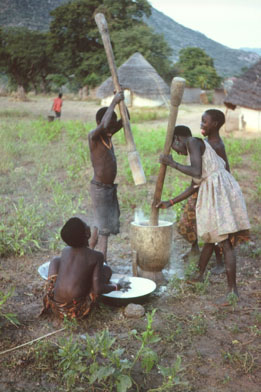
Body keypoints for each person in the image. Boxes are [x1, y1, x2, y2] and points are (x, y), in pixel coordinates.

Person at [156, 125, 250, 298]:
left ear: (178, 139)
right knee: (210, 236)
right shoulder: (195, 152)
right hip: (214, 191)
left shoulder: (192, 141)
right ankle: (199, 275)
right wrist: (170, 202)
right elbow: (195, 184)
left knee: (225, 242)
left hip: (220, 192)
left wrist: (172, 163)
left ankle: (232, 291)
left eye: (174, 148)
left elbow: (196, 171)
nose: (177, 153)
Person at [41, 217, 129, 319]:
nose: (88, 225)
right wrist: (116, 286)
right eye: (85, 225)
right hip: (76, 310)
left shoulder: (66, 250)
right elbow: (98, 289)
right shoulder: (97, 256)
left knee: (56, 260)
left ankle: (50, 290)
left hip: (55, 306)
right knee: (106, 270)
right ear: (87, 234)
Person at [177, 109, 230, 275]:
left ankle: (220, 262)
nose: (201, 124)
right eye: (201, 120)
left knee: (215, 229)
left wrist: (220, 192)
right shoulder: (205, 141)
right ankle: (195, 250)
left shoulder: (216, 144)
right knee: (192, 221)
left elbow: (224, 168)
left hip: (212, 191)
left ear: (214, 124)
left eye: (204, 121)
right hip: (202, 188)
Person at [88, 91, 125, 261]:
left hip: (108, 189)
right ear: (100, 123)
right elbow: (103, 126)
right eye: (109, 123)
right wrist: (113, 102)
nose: (111, 127)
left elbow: (124, 120)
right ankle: (101, 263)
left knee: (99, 225)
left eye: (112, 125)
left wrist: (121, 104)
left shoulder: (108, 135)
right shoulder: (94, 136)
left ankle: (89, 255)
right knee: (104, 231)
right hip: (100, 189)